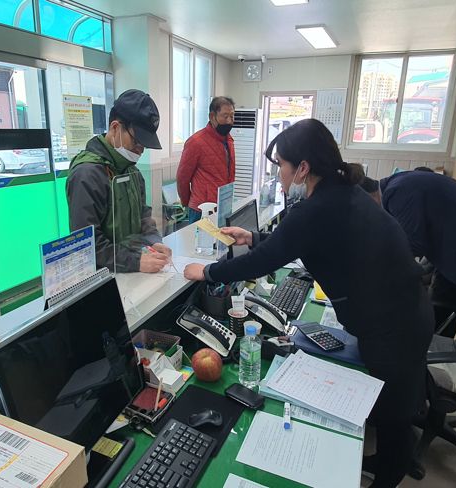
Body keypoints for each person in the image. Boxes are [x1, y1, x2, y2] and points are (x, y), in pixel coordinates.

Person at [184, 119, 433, 488]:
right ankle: (387, 460)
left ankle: (387, 474)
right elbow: (297, 240)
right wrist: (254, 236)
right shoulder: (342, 193)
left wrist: (207, 273)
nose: (279, 173)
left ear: (302, 168)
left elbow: (268, 259)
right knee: (393, 413)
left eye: (281, 165)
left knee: (394, 420)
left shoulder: (318, 208)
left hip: (394, 329)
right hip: (406, 314)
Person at [378, 170, 456, 337]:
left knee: (443, 300)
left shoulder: (398, 192)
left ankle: (432, 348)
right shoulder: (399, 183)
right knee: (435, 292)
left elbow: (412, 244)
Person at [66, 89, 171, 273]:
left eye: (145, 145)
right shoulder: (87, 174)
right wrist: (136, 262)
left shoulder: (132, 171)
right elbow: (87, 244)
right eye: (137, 141)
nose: (140, 150)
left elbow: (143, 215)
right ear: (115, 128)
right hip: (104, 276)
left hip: (132, 270)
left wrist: (154, 240)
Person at [176, 97, 236, 222]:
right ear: (212, 116)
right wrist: (187, 204)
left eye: (232, 116)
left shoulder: (228, 140)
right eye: (225, 116)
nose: (230, 121)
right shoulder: (196, 142)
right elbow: (182, 177)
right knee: (199, 241)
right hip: (202, 209)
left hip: (223, 205)